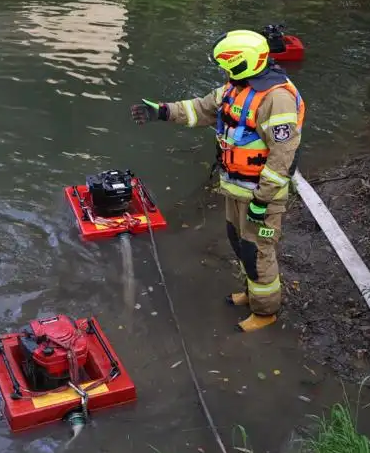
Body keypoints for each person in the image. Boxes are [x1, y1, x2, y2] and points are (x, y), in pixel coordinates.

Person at [129, 30, 305, 332]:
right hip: (237, 187)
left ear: (244, 63)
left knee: (258, 250)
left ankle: (266, 310)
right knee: (239, 243)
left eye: (228, 65)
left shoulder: (277, 98)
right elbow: (202, 108)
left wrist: (263, 202)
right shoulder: (236, 88)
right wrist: (162, 112)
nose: (224, 71)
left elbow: (282, 157)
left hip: (261, 195)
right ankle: (252, 293)